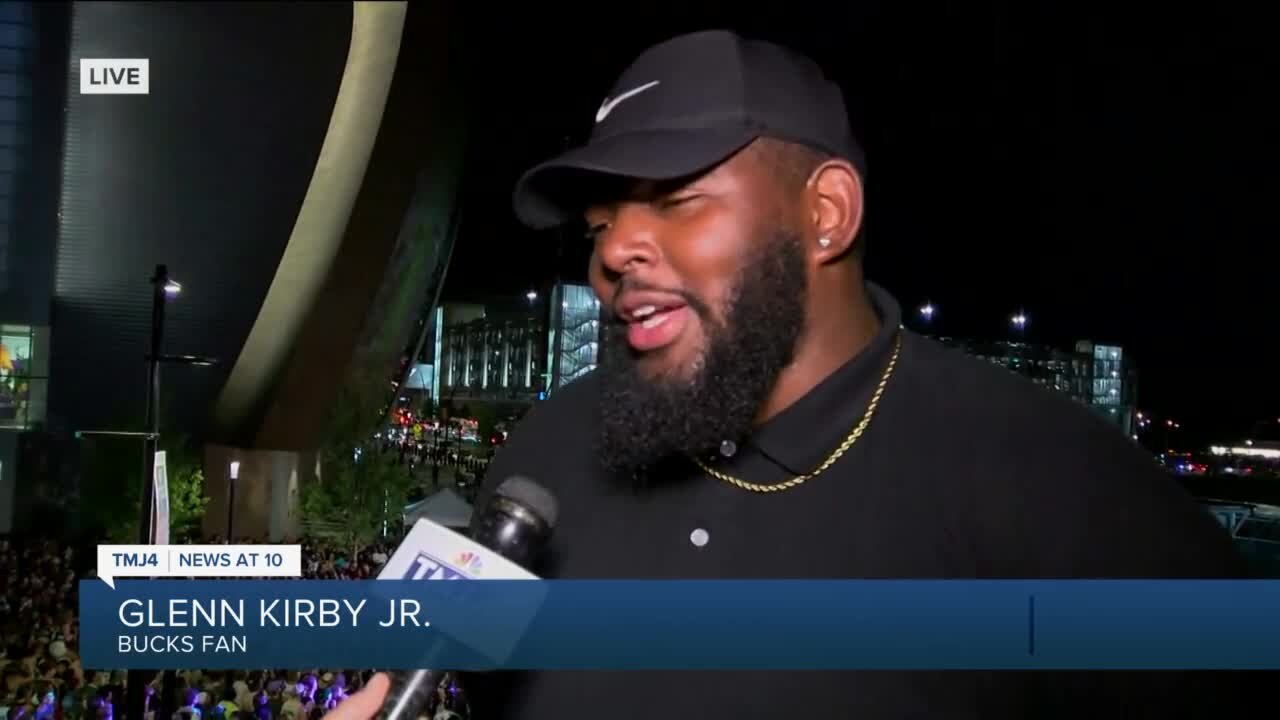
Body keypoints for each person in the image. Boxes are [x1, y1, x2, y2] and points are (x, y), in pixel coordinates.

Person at [455, 28, 1270, 719]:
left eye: (674, 199)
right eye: (599, 226)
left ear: (827, 213)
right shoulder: (547, 449)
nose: (610, 254)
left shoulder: (1061, 488)